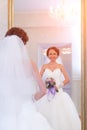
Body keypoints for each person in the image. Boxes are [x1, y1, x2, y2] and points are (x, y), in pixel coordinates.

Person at [0, 27, 53, 130]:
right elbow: (43, 91)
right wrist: (31, 99)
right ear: (22, 43)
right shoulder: (30, 64)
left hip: (5, 112)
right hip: (27, 109)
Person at [35, 46, 81, 130]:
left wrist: (58, 86)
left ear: (57, 55)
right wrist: (45, 85)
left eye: (54, 54)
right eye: (50, 54)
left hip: (59, 92)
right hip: (47, 93)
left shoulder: (60, 66)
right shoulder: (44, 66)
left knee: (61, 115)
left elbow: (67, 79)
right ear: (48, 55)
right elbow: (39, 78)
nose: (52, 55)